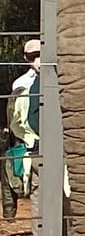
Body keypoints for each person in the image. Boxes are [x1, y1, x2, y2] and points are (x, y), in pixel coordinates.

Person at [3, 38, 41, 223]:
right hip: (29, 140)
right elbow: (15, 119)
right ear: (26, 58)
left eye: (41, 55)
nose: (38, 60)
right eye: (34, 56)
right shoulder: (21, 83)